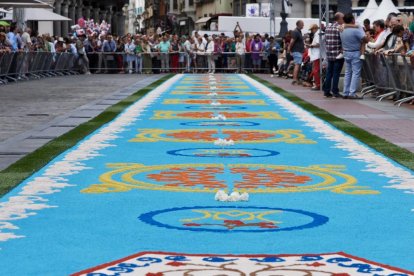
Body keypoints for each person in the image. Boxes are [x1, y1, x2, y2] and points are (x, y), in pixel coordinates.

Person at [340, 13, 369, 99]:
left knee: (348, 73)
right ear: (352, 20)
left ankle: (346, 92)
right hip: (355, 52)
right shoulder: (356, 30)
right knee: (356, 73)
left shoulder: (342, 29)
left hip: (346, 52)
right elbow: (366, 40)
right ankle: (352, 93)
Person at [323, 12, 344, 98]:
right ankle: (335, 91)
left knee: (329, 73)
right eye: (342, 18)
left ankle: (326, 91)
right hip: (338, 54)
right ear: (338, 19)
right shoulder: (339, 28)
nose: (343, 19)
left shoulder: (328, 27)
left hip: (329, 54)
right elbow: (343, 41)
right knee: (336, 74)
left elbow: (326, 41)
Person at [288, 20, 305, 85]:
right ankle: (295, 79)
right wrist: (289, 49)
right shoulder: (296, 32)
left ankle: (296, 79)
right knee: (297, 65)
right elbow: (292, 41)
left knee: (298, 65)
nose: (303, 25)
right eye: (302, 24)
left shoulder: (298, 31)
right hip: (297, 51)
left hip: (298, 51)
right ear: (299, 25)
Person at [308, 24, 321, 90]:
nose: (311, 31)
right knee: (315, 70)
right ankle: (317, 84)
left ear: (314, 28)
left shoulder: (318, 34)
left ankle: (317, 84)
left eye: (312, 29)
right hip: (316, 55)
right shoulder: (317, 34)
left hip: (317, 55)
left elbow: (318, 44)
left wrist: (311, 46)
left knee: (316, 70)